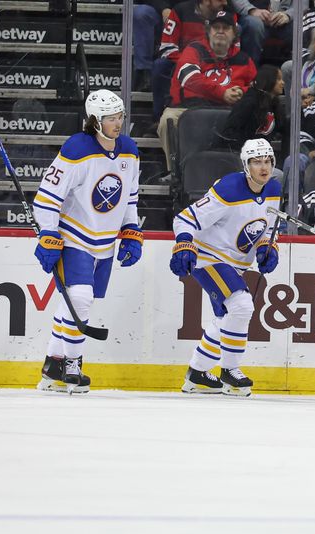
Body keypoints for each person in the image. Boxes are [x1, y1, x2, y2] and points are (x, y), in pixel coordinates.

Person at [33, 90, 142, 394]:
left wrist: (131, 229)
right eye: (110, 118)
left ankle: (52, 365)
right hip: (74, 236)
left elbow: (130, 196)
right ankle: (73, 363)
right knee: (80, 297)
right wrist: (49, 233)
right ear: (95, 121)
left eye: (120, 116)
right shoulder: (77, 148)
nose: (117, 123)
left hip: (105, 242)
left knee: (77, 302)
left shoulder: (129, 150)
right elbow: (46, 198)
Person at [170, 138, 281, 396]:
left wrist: (268, 247)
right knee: (241, 306)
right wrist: (184, 244)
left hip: (235, 265)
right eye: (256, 162)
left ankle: (197, 373)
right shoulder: (229, 189)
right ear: (246, 165)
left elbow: (268, 228)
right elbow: (185, 219)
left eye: (267, 161)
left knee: (226, 317)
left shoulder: (274, 189)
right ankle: (230, 371)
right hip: (209, 257)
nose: (263, 167)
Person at [158, 10, 257, 165]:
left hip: (228, 112)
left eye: (226, 28)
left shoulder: (244, 60)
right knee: (168, 119)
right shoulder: (194, 50)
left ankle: (240, 169)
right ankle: (176, 173)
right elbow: (189, 78)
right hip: (188, 108)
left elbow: (255, 89)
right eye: (216, 27)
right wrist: (222, 92)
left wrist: (241, 92)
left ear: (234, 33)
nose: (220, 31)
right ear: (209, 31)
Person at [217, 64, 286, 151]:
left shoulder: (274, 104)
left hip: (263, 155)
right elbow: (230, 132)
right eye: (278, 79)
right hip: (244, 153)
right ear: (268, 80)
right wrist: (248, 149)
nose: (283, 82)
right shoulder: (249, 102)